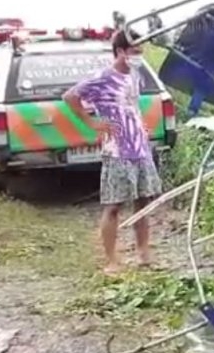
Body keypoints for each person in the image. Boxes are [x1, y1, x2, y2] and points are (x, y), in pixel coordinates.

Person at [64, 31, 161, 275]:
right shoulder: (103, 78)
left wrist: (140, 126)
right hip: (117, 150)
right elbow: (70, 97)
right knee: (113, 205)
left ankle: (143, 252)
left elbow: (131, 105)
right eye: (135, 51)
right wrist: (93, 123)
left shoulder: (135, 75)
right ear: (120, 51)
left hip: (140, 146)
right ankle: (111, 260)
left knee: (143, 202)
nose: (139, 56)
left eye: (141, 51)